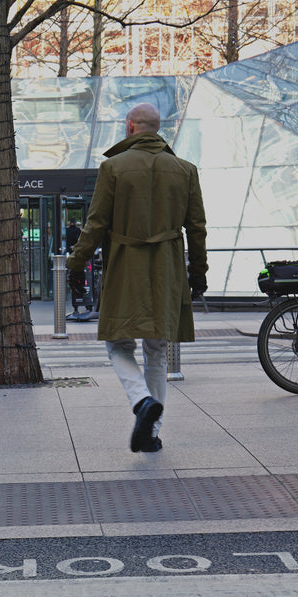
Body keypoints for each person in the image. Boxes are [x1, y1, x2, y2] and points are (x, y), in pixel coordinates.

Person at [67, 103, 208, 453]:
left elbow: (96, 223)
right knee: (158, 349)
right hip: (168, 267)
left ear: (130, 127)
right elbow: (197, 228)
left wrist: (76, 261)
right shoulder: (186, 169)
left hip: (126, 265)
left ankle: (141, 400)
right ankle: (152, 432)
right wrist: (198, 273)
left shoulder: (113, 167)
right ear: (157, 130)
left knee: (118, 343)